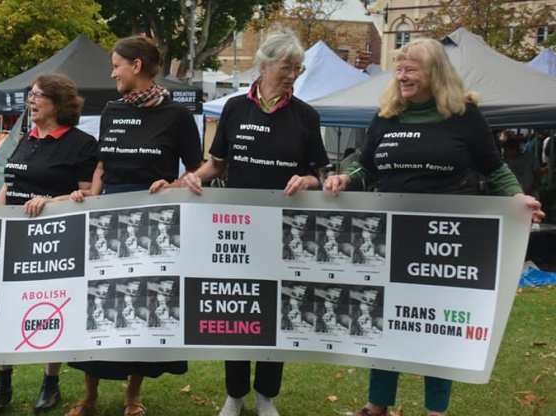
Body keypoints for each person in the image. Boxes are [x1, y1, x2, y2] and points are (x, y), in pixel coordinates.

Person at [323, 38, 544, 416]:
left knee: (437, 325)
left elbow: (494, 168)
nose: (402, 75)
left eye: (411, 68)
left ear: (434, 73)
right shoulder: (388, 113)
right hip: (387, 238)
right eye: (400, 68)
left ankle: (436, 411)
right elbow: (367, 166)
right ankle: (377, 407)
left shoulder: (463, 114)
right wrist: (345, 179)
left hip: (443, 241)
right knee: (385, 318)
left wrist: (517, 198)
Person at [179, 31, 328, 416]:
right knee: (235, 309)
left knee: (273, 311)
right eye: (286, 67)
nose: (293, 75)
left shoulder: (306, 116)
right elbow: (218, 164)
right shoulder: (233, 109)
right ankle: (234, 393)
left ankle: (266, 394)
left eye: (298, 68)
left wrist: (308, 180)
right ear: (263, 66)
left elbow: (318, 174)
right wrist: (195, 176)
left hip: (282, 230)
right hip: (236, 227)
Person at [65, 35, 202, 416]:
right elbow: (102, 164)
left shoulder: (177, 116)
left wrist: (172, 186)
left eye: (117, 65)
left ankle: (133, 395)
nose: (112, 73)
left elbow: (196, 172)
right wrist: (89, 196)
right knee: (99, 303)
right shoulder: (111, 109)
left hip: (154, 222)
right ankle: (88, 395)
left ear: (137, 66)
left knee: (143, 304)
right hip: (107, 217)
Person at [0, 73, 98, 414]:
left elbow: (89, 194)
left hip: (55, 240)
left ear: (57, 103)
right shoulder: (26, 137)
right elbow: (10, 183)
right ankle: (3, 379)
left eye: (37, 95)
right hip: (15, 235)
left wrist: (50, 201)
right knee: (9, 307)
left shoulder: (81, 144)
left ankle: (51, 382)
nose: (30, 100)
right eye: (29, 95)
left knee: (48, 308)